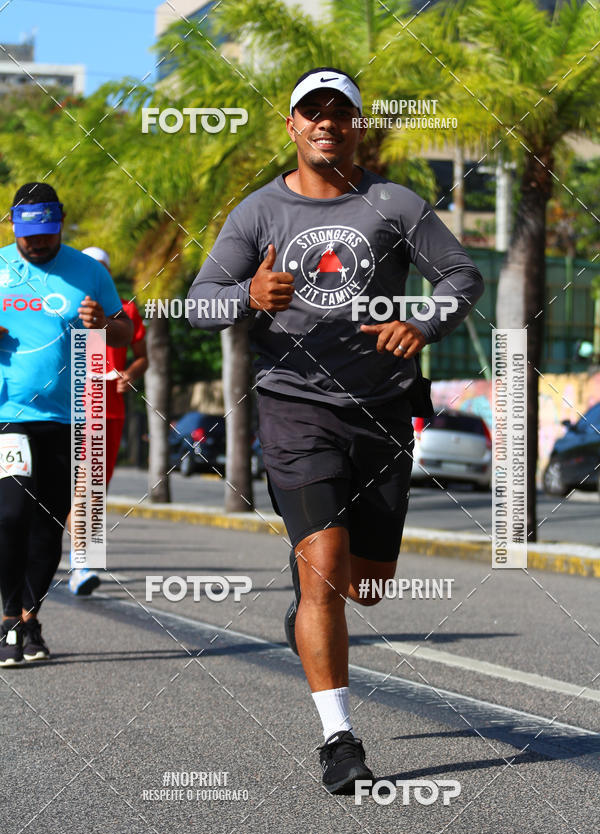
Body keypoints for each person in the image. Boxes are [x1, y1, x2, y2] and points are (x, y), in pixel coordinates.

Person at [186, 68, 484, 793]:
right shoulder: (257, 212)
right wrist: (248, 296)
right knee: (321, 569)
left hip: (381, 412)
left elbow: (462, 277)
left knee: (369, 586)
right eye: (311, 113)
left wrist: (422, 321)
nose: (326, 123)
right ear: (290, 127)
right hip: (294, 408)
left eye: (339, 113)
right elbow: (199, 304)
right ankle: (339, 738)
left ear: (356, 126)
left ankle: (311, 602)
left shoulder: (394, 203)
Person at [0, 182, 133, 666]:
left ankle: (30, 622)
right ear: (13, 226)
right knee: (10, 515)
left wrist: (102, 324)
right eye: (29, 235)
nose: (38, 243)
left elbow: (125, 330)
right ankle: (8, 618)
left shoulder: (88, 271)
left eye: (48, 234)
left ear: (60, 224)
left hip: (67, 414)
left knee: (48, 522)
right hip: (7, 414)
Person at [68, 247, 148, 596]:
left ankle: (78, 559)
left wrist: (129, 373)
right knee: (81, 487)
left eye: (101, 268)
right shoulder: (64, 304)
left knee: (92, 491)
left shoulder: (126, 311)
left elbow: (141, 357)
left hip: (109, 408)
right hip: (69, 407)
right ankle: (81, 563)